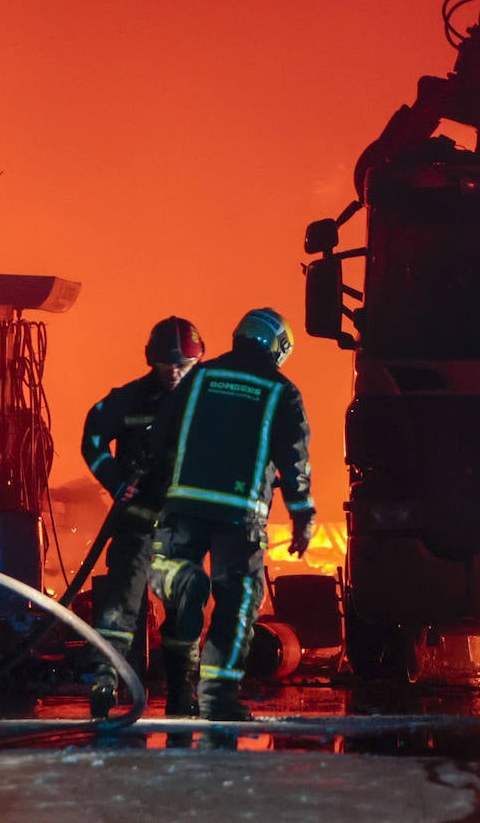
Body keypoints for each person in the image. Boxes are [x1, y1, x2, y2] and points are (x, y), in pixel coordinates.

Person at [142, 307, 317, 728]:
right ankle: (218, 698)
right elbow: (293, 461)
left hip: (182, 508)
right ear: (280, 346)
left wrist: (149, 491)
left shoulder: (198, 377)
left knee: (184, 597)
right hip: (240, 516)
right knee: (236, 604)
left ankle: (181, 692)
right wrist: (302, 514)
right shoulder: (281, 392)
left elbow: (162, 432)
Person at [80, 315, 205, 718]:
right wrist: (115, 480)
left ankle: (182, 690)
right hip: (135, 524)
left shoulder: (209, 403)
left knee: (184, 613)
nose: (175, 374)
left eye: (184, 366)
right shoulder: (128, 399)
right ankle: (104, 682)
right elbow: (93, 437)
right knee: (119, 607)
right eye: (168, 366)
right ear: (152, 361)